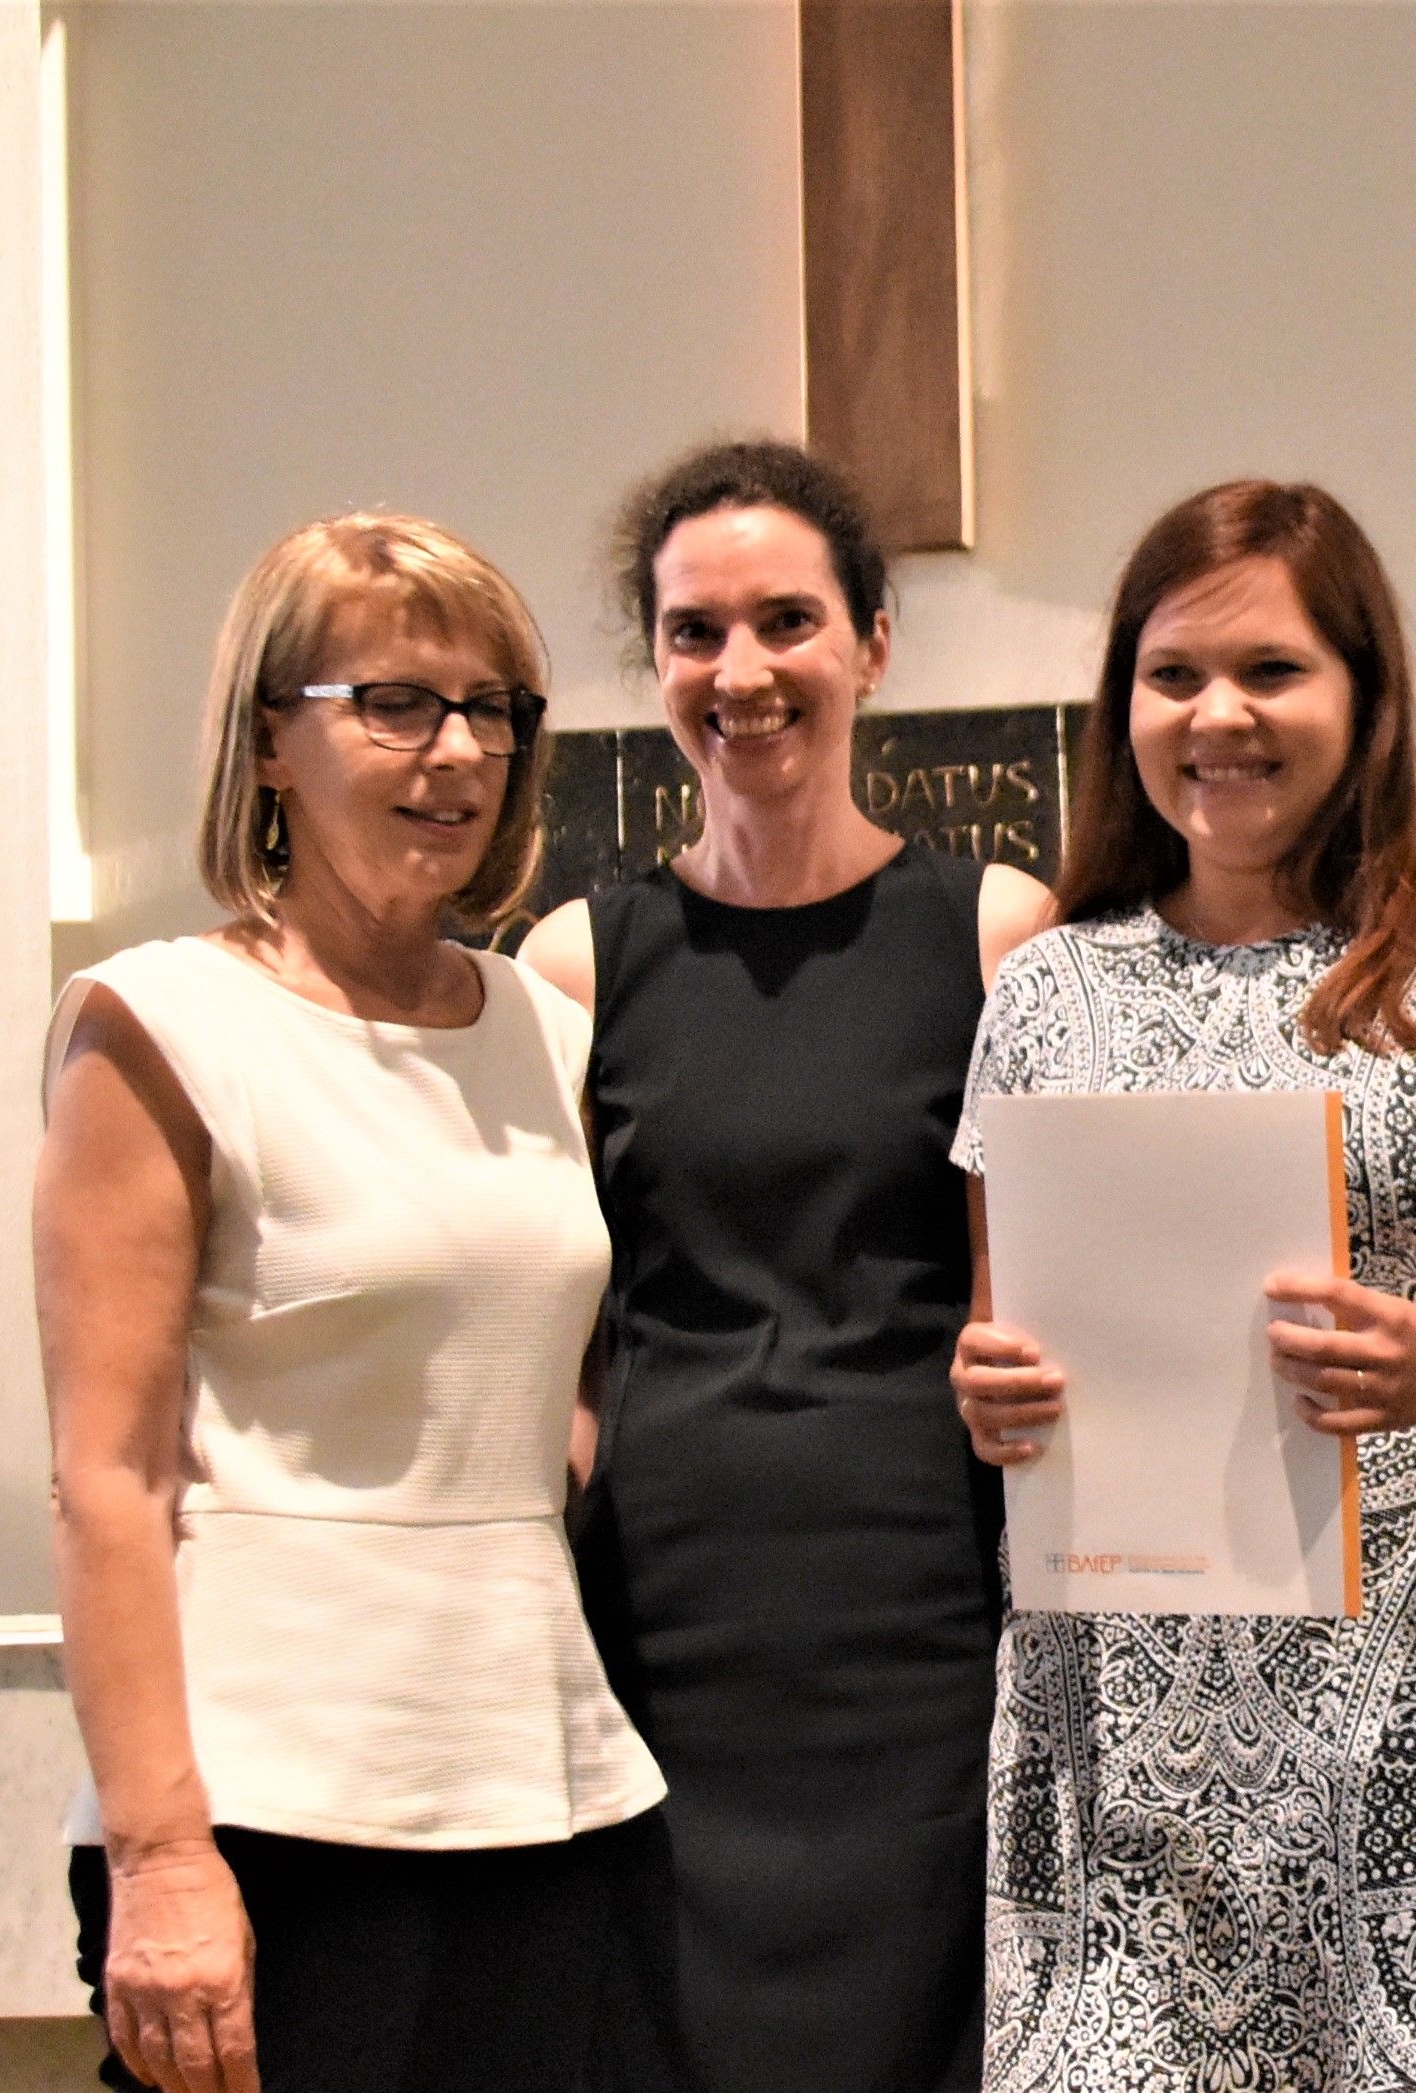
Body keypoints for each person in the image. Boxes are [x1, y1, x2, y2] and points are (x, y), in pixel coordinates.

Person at [946, 480, 1416, 2089]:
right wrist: (989, 1389)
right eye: (1174, 674)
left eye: (1271, 669)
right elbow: (1004, 1335)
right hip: (1132, 1755)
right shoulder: (1046, 988)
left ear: (1366, 694)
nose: (1220, 715)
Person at [36, 513, 665, 2093]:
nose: (454, 751)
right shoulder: (161, 1025)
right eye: (394, 703)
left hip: (533, 1779)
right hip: (269, 1804)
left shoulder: (542, 1028)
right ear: (269, 741)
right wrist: (159, 1853)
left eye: (489, 709)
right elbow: (106, 1478)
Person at [517, 440, 1049, 2093]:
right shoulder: (576, 963)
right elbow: (558, 1345)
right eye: (694, 631)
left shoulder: (997, 930)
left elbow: (1027, 1304)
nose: (739, 670)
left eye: (786, 621)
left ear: (873, 641)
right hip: (670, 1620)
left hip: (922, 1611)